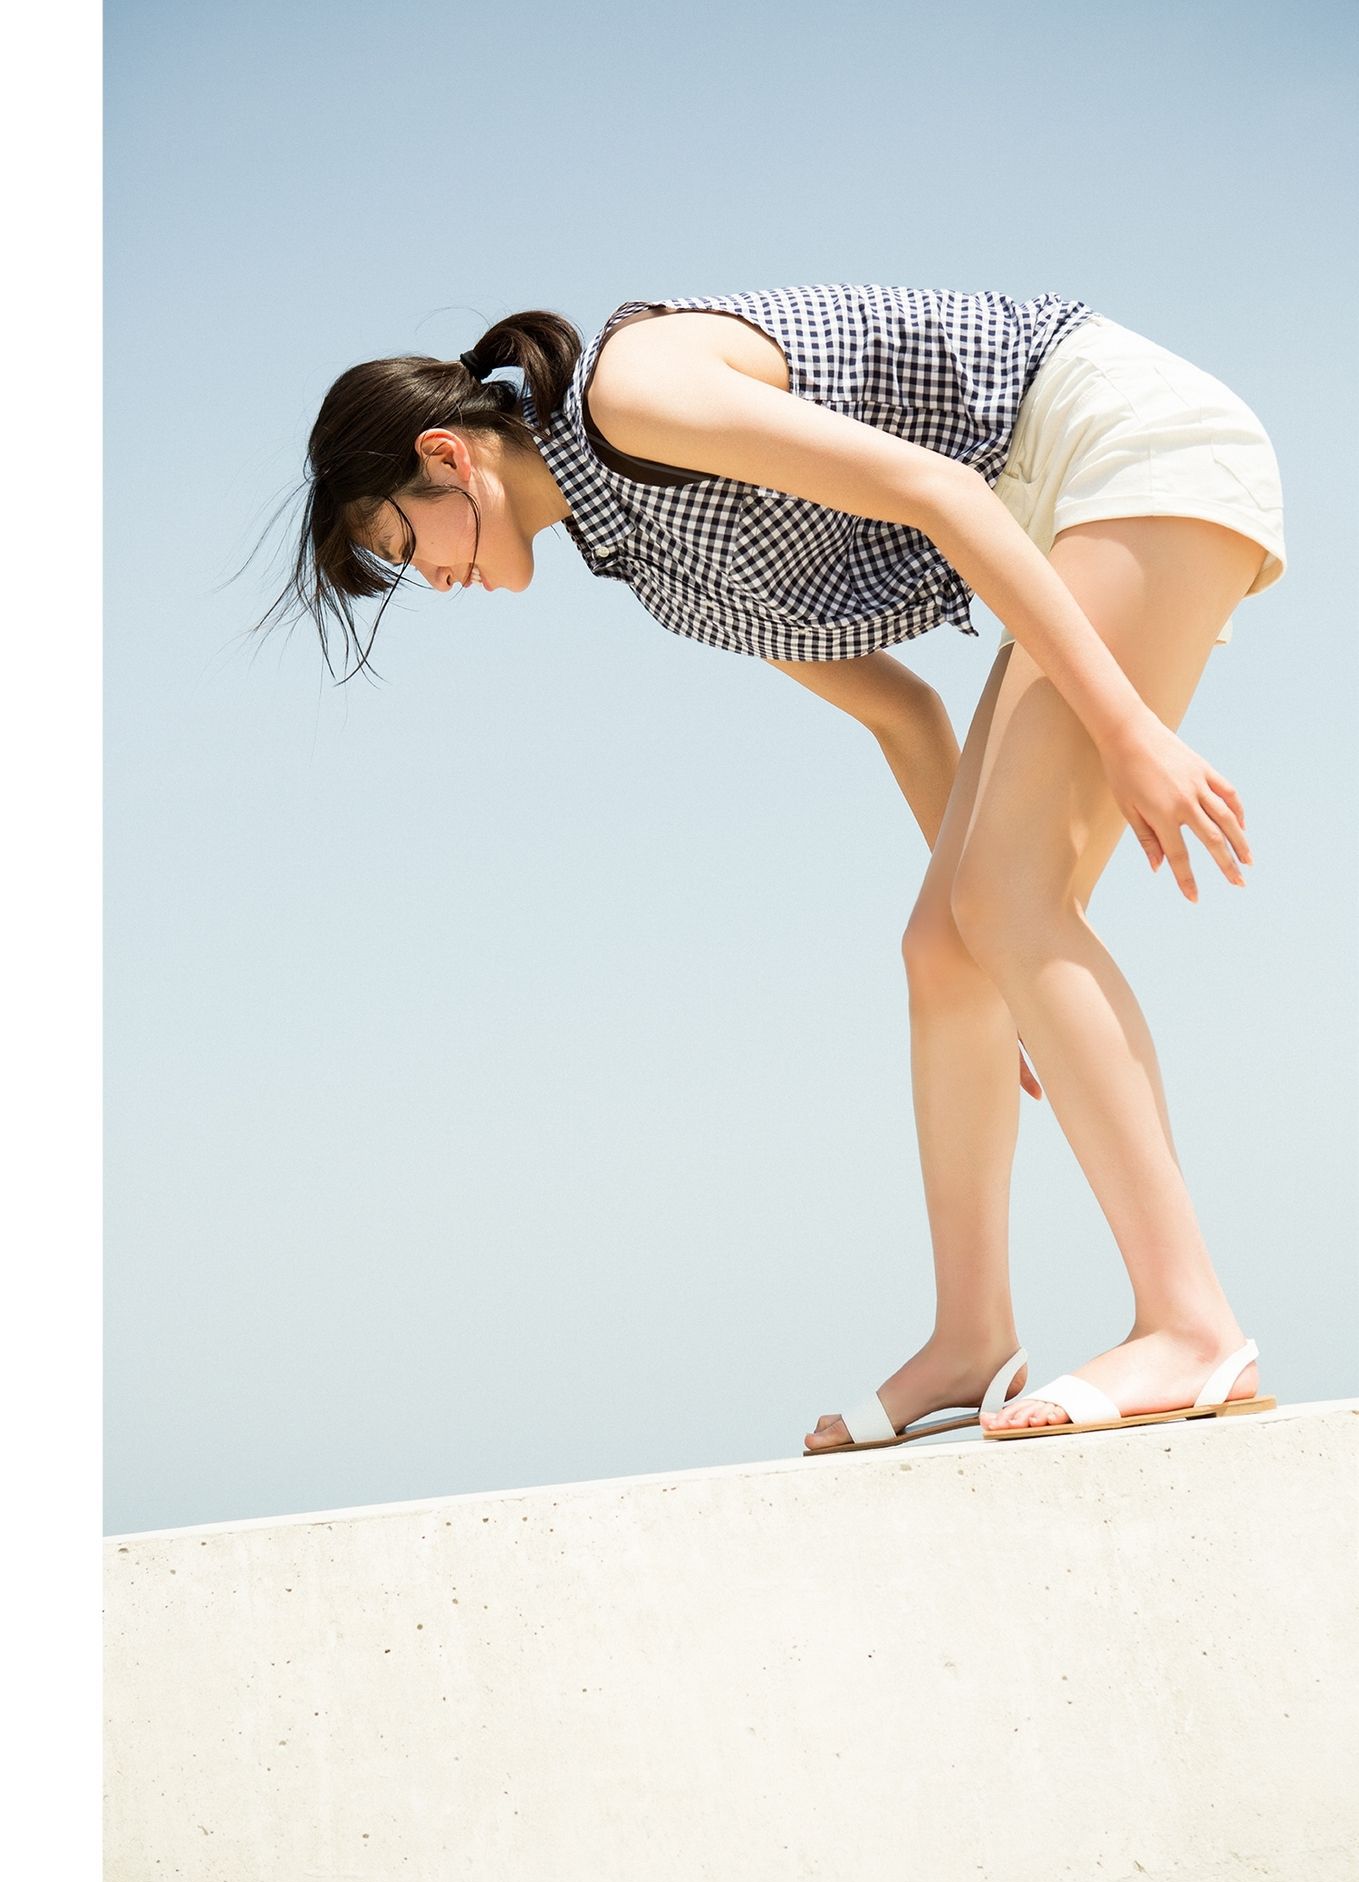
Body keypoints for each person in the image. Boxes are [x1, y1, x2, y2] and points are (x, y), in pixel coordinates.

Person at [265, 282, 1287, 1453]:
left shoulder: (629, 392)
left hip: (1123, 441)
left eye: (406, 543)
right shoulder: (653, 564)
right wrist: (991, 951)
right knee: (945, 947)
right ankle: (971, 1338)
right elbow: (903, 714)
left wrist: (1125, 733)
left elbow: (944, 493)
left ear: (446, 456)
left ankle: (1191, 1324)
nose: (434, 583)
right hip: (1054, 510)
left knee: (1005, 903)